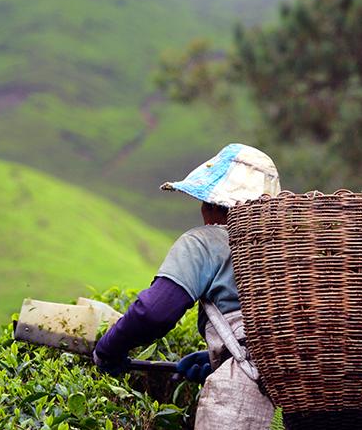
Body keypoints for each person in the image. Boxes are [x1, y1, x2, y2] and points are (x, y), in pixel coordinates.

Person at [92, 143, 280, 379]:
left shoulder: (205, 242)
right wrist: (221, 356)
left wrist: (108, 349)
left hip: (249, 389)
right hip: (301, 388)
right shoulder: (285, 252)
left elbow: (153, 312)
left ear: (211, 205)